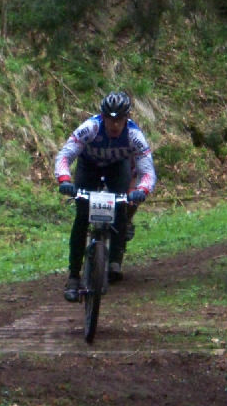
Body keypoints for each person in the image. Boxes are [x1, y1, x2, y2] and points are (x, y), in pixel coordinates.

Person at [54, 91, 156, 302]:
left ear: (126, 118)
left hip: (117, 168)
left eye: (119, 119)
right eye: (110, 119)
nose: (114, 124)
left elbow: (147, 171)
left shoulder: (134, 135)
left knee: (121, 208)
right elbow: (65, 155)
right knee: (82, 216)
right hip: (88, 166)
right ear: (102, 117)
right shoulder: (90, 128)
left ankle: (115, 260)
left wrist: (141, 190)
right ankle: (73, 277)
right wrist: (64, 179)